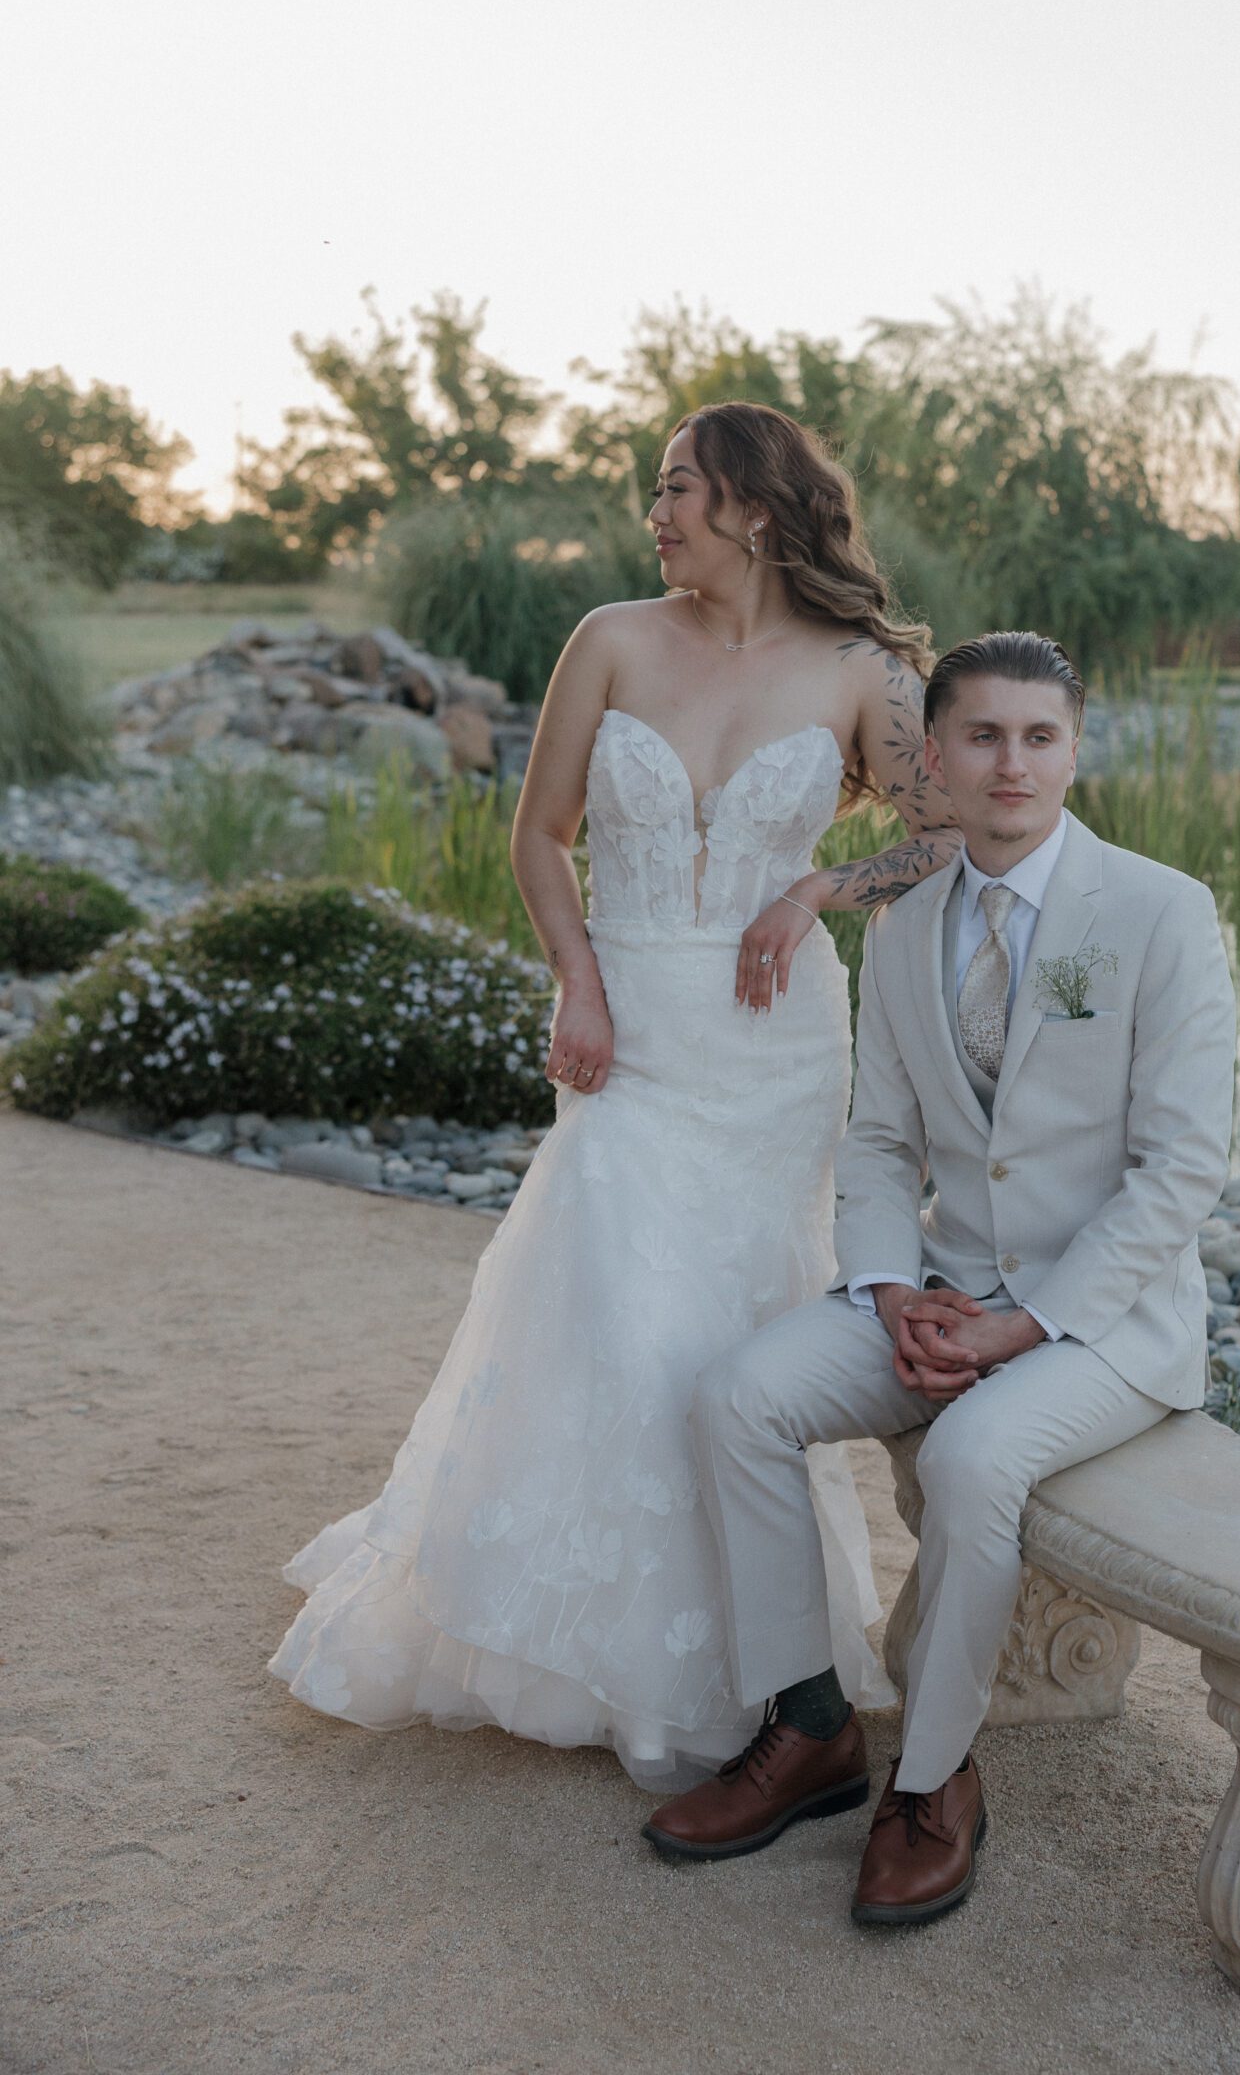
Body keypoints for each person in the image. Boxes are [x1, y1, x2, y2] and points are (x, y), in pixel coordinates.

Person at [269, 402, 962, 1788]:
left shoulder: (866, 671)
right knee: (610, 1304)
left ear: (755, 510)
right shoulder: (611, 638)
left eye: (677, 491)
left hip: (772, 1053)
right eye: (659, 493)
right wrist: (575, 979)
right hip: (632, 1024)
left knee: (732, 1327)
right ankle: (579, 1640)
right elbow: (540, 833)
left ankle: (751, 1668)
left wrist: (819, 883)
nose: (655, 515)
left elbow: (941, 836)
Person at [642, 630, 1236, 1921]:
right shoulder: (904, 928)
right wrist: (887, 1291)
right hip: (939, 1298)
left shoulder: (1159, 910)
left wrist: (1023, 1327)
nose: (1011, 763)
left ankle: (933, 1780)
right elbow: (878, 1141)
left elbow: (1183, 1167)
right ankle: (806, 1725)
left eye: (1038, 736)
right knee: (738, 1396)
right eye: (982, 736)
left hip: (1103, 1328)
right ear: (938, 759)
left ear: (1073, 750)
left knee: (972, 1462)